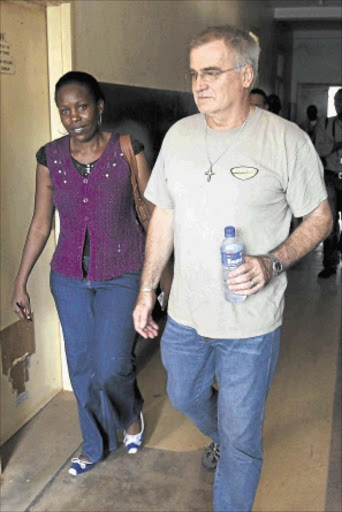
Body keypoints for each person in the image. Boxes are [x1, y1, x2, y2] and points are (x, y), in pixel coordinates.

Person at [133, 25, 332, 512]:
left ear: (246, 75)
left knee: (242, 444)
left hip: (250, 322)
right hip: (184, 314)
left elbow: (321, 217)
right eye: (194, 74)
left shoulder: (285, 141)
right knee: (183, 396)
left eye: (212, 72)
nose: (199, 84)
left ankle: (233, 446)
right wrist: (145, 291)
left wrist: (272, 262)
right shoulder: (180, 135)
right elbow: (164, 214)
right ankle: (224, 430)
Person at [11, 71, 171, 476]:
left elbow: (153, 216)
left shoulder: (127, 149)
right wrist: (20, 282)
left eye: (81, 106)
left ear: (99, 106)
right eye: (65, 111)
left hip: (122, 271)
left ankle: (131, 414)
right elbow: (40, 224)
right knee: (81, 367)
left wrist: (161, 280)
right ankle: (94, 445)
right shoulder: (49, 158)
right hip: (68, 277)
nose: (74, 117)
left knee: (112, 365)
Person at [315, 88, 342, 278]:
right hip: (331, 177)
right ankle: (330, 265)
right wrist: (337, 145)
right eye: (337, 102)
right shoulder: (325, 124)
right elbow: (318, 149)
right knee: (330, 223)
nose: (339, 105)